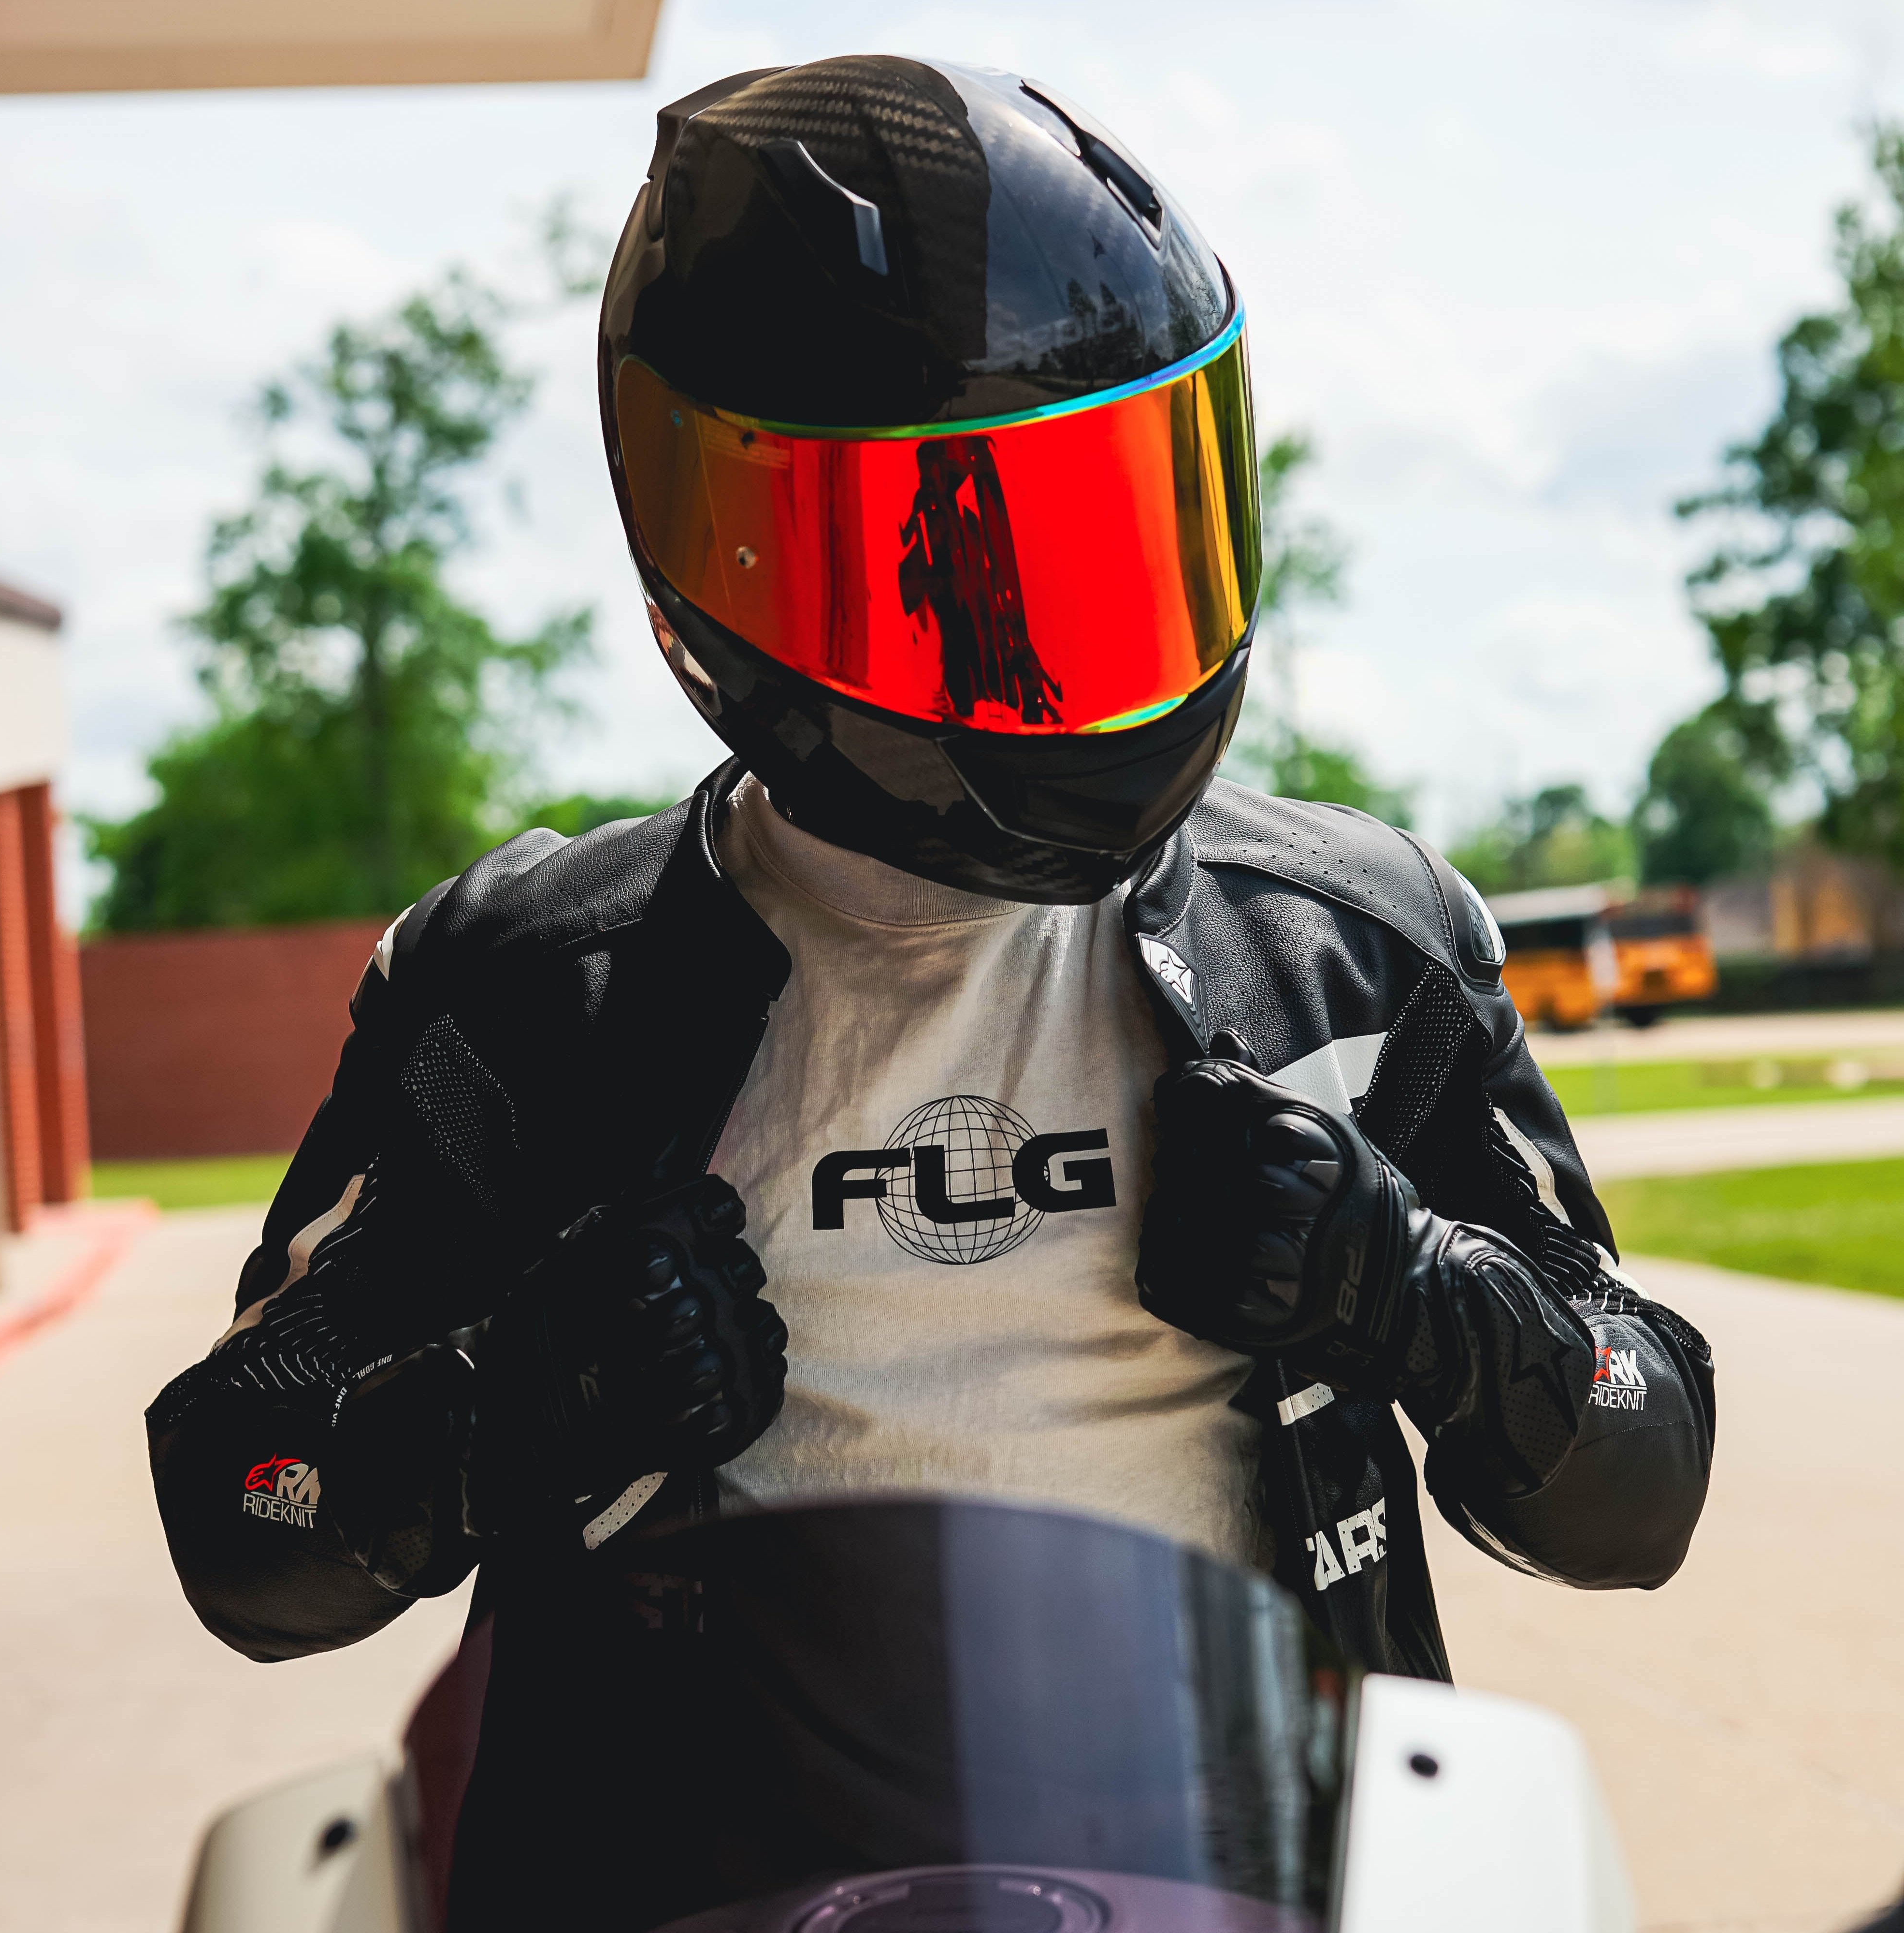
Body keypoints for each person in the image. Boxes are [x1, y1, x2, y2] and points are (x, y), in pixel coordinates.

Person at [147, 55, 1714, 1919]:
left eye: (1113, 526)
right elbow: (246, 1509)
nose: (1057, 637)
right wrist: (510, 1406)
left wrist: (1416, 1289)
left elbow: (1641, 1476)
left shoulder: (1350, 950)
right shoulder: (530, 1001)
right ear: (722, 558)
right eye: (960, 569)